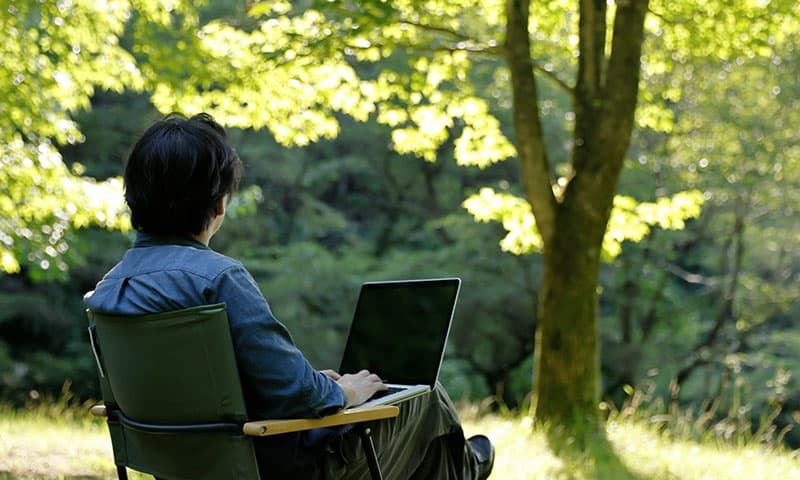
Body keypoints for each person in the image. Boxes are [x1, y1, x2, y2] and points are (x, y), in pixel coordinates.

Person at [84, 113, 495, 479]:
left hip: (180, 468)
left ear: (133, 198)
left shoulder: (107, 291)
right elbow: (300, 396)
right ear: (219, 205)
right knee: (425, 397)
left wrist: (315, 381)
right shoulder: (219, 279)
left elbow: (219, 393)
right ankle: (468, 469)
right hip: (277, 467)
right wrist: (345, 392)